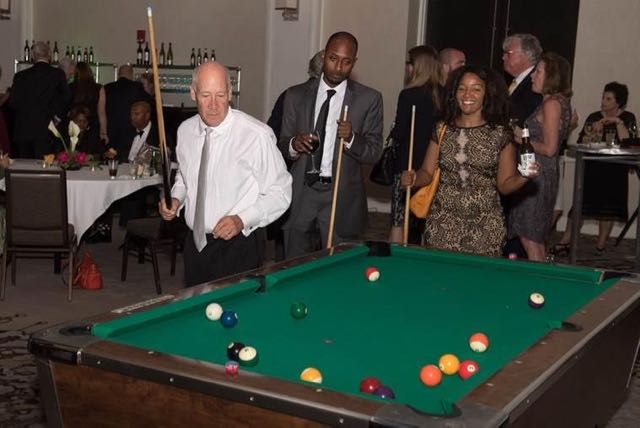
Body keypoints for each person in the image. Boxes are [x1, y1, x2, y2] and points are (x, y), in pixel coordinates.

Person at [159, 62, 291, 287]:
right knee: (198, 305)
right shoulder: (185, 131)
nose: (213, 105)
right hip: (195, 244)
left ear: (230, 94)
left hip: (238, 246)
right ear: (193, 93)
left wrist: (242, 220)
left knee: (237, 308)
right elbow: (185, 175)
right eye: (205, 95)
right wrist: (176, 199)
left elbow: (281, 192)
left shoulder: (256, 135)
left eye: (220, 95)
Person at [400, 65, 535, 256]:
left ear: (487, 94)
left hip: (485, 227)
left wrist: (524, 177)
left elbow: (505, 185)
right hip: (442, 223)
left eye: (476, 89)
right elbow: (427, 173)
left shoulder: (500, 134)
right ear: (454, 93)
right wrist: (414, 178)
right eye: (461, 88)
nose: (467, 94)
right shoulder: (442, 129)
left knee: (480, 275)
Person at [277, 31, 383, 258]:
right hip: (302, 191)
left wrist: (352, 138)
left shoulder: (369, 99)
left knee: (337, 262)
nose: (338, 67)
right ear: (324, 55)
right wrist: (295, 144)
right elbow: (282, 144)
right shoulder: (295, 95)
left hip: (340, 193)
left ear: (354, 63)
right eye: (333, 59)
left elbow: (374, 152)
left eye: (346, 62)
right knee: (294, 260)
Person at [554, 82, 636, 254]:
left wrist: (617, 122)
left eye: (608, 99)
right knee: (579, 206)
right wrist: (593, 132)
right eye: (603, 97)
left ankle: (600, 245)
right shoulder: (594, 117)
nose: (603, 101)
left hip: (616, 169)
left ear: (618, 102)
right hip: (593, 167)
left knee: (609, 210)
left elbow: (629, 143)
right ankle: (565, 241)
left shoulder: (628, 118)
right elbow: (582, 141)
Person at [507, 52, 573, 261]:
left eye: (538, 72)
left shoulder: (551, 103)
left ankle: (541, 277)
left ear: (551, 76)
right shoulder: (557, 101)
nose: (533, 76)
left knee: (530, 238)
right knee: (532, 237)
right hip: (540, 172)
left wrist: (521, 140)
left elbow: (550, 148)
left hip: (539, 174)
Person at [266, 49, 324, 261]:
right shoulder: (293, 96)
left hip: (306, 179)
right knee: (292, 237)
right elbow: (273, 135)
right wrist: (292, 146)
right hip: (291, 174)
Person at [389, 45, 443, 244]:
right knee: (426, 218)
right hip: (433, 166)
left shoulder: (409, 95)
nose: (407, 67)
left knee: (399, 220)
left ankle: (395, 258)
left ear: (417, 66)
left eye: (409, 63)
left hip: (407, 165)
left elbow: (399, 133)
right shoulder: (445, 95)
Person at [502, 33, 543, 258]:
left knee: (526, 233)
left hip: (523, 160)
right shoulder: (517, 84)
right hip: (510, 159)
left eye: (508, 53)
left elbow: (522, 123)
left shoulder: (532, 88)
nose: (503, 57)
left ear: (526, 56)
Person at [9, 41, 70, 158]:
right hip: (47, 130)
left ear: (33, 56)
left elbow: (13, 103)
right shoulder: (57, 74)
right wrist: (57, 118)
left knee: (24, 166)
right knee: (45, 165)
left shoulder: (20, 76)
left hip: (23, 130)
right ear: (49, 55)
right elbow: (66, 98)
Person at [98, 64, 148, 158]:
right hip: (129, 130)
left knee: (110, 157)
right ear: (131, 74)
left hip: (110, 130)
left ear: (118, 74)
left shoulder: (107, 87)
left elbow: (101, 110)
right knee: (126, 158)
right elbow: (147, 104)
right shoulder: (137, 87)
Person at [502, 33, 543, 127]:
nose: (503, 57)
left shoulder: (535, 85)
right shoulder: (514, 81)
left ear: (526, 54)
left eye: (508, 53)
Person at [69, 62, 102, 153]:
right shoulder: (99, 88)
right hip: (93, 124)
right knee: (91, 152)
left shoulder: (70, 87)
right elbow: (101, 112)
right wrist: (103, 132)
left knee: (72, 151)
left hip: (74, 123)